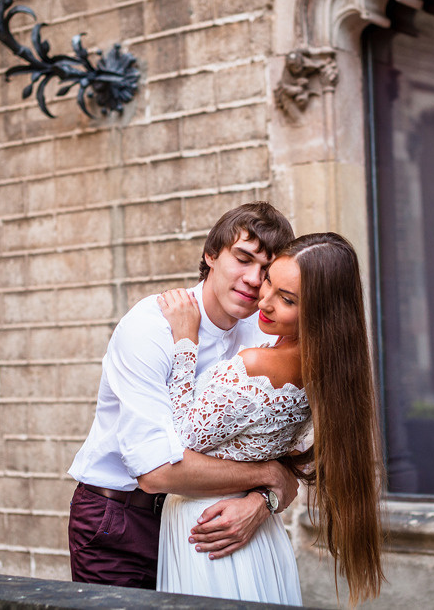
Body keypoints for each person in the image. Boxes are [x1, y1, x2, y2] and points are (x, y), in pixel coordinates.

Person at [67, 202, 297, 589]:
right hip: (120, 521)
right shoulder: (150, 327)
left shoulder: (263, 335)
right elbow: (155, 470)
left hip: (204, 519)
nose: (254, 280)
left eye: (267, 271)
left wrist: (262, 501)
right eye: (243, 259)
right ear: (211, 255)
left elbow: (280, 446)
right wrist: (267, 477)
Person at [155, 232, 384, 606]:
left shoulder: (256, 366)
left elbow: (179, 440)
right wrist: (266, 497)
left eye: (287, 299)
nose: (264, 301)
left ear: (321, 313)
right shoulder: (327, 376)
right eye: (269, 282)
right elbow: (290, 458)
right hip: (258, 535)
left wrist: (185, 341)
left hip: (209, 532)